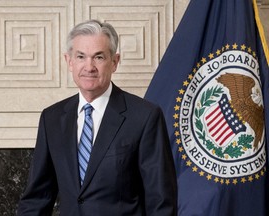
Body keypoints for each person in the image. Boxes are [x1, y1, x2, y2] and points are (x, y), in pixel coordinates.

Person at [17, 19, 177, 216]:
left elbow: (161, 202)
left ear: (114, 62)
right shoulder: (52, 118)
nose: (89, 66)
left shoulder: (145, 117)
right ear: (69, 61)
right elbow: (36, 198)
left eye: (99, 57)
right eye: (81, 56)